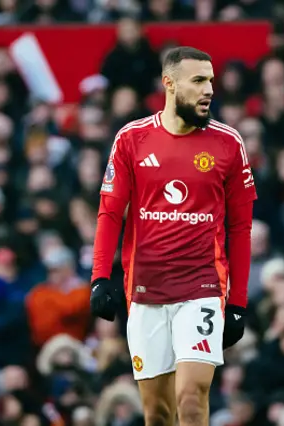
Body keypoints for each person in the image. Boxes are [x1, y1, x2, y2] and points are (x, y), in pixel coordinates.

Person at [90, 46, 257, 426]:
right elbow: (110, 213)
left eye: (211, 80)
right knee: (158, 413)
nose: (209, 89)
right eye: (198, 81)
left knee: (192, 399)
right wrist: (100, 278)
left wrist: (239, 302)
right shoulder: (131, 139)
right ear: (169, 84)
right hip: (146, 291)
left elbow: (240, 228)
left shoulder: (228, 143)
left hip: (202, 288)